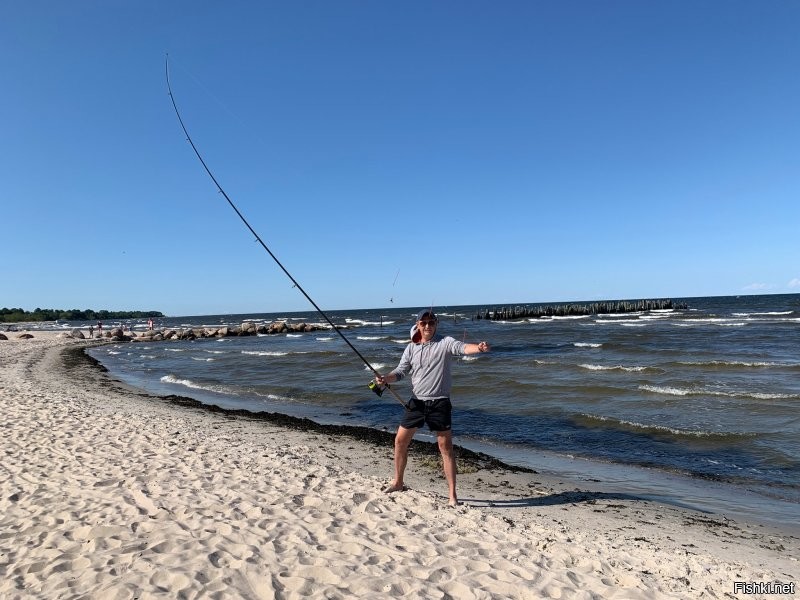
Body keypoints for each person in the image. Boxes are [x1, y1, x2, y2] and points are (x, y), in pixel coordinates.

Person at [374, 309, 490, 506]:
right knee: (400, 441)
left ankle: (452, 496)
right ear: (418, 325)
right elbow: (401, 372)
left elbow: (462, 348)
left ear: (436, 324)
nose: (428, 326)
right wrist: (386, 378)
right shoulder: (411, 348)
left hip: (439, 403)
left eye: (431, 322)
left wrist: (478, 348)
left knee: (446, 448)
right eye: (424, 322)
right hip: (417, 402)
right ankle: (398, 482)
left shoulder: (445, 343)